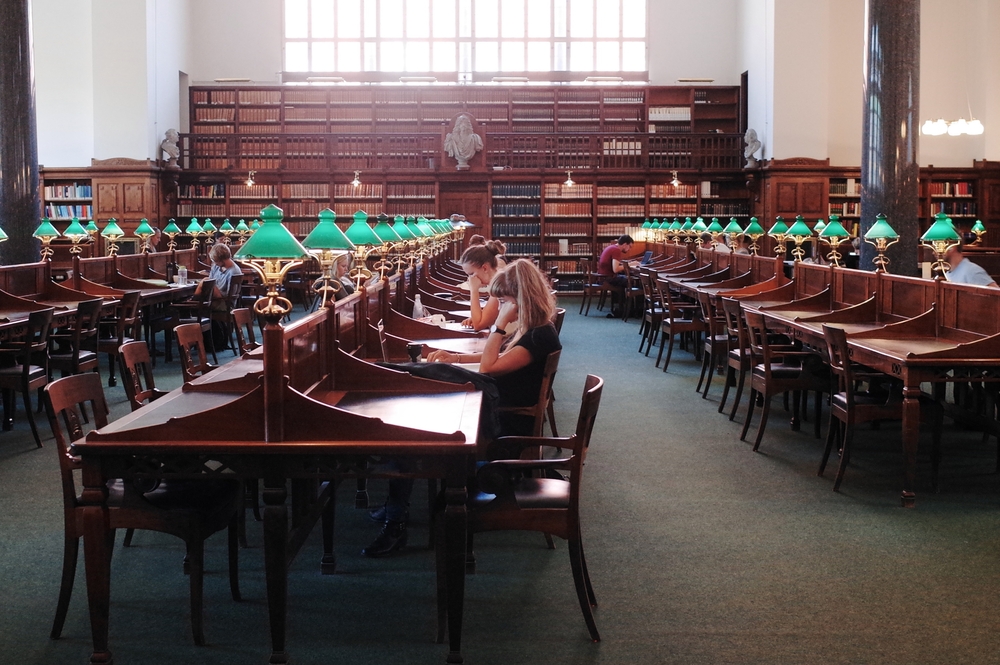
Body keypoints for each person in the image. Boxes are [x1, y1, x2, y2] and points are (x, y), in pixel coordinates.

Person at [364, 260, 561, 558]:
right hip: (496, 409)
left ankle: (396, 521)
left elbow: (489, 365)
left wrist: (499, 325)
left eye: (507, 300)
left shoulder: (538, 336)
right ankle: (395, 511)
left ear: (521, 299)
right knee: (423, 393)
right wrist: (454, 358)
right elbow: (496, 359)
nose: (504, 306)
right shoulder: (535, 330)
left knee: (412, 434)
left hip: (503, 427)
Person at [459, 242, 503, 331]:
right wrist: (480, 317)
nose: (470, 279)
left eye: (471, 274)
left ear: (485, 268)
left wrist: (474, 290)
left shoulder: (500, 287)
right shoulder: (500, 280)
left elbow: (478, 325)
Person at [195, 243, 243, 312]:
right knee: (205, 282)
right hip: (213, 298)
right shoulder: (217, 266)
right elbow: (210, 281)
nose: (215, 263)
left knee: (205, 281)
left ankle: (193, 302)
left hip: (225, 304)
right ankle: (193, 303)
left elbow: (229, 296)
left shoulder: (234, 272)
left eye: (216, 261)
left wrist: (214, 291)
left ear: (221, 259)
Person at [597, 234, 634, 317]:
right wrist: (629, 265)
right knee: (631, 280)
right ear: (625, 244)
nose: (629, 249)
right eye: (630, 247)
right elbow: (615, 269)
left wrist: (625, 264)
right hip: (608, 278)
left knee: (625, 279)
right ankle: (627, 309)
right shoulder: (616, 250)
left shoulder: (612, 247)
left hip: (603, 276)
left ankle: (620, 307)